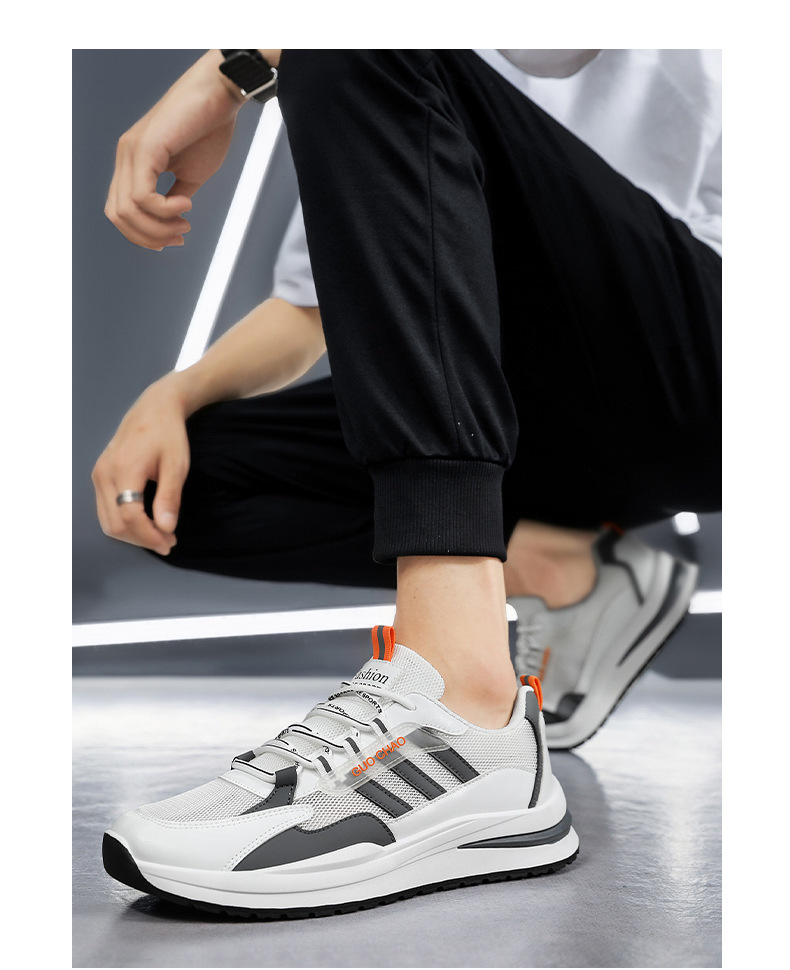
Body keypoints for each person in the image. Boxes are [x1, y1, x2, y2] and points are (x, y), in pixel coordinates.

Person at [95, 49, 720, 919]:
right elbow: (317, 301)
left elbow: (554, 42)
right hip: (512, 408)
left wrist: (235, 66)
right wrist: (172, 396)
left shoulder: (381, 49)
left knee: (352, 39)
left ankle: (466, 701)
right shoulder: (392, 68)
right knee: (185, 484)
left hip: (704, 371)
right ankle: (560, 567)